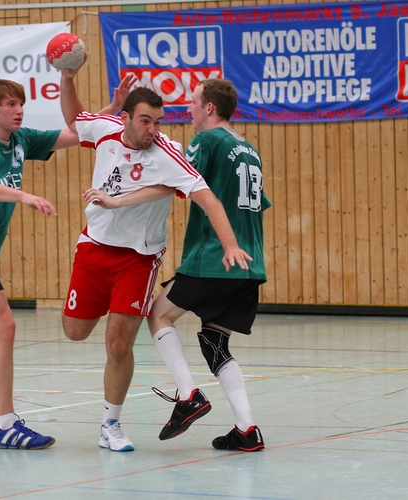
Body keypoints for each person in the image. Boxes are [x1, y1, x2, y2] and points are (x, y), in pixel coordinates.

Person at [0, 74, 134, 449]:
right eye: (11, 105)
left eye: (22, 104)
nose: (19, 111)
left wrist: (112, 109)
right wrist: (23, 196)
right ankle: (6, 426)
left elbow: (75, 134)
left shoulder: (21, 140)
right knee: (4, 328)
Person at [59, 62, 252, 452]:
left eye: (158, 122)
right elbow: (75, 119)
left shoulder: (168, 153)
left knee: (118, 345)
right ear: (125, 118)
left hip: (138, 259)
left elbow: (209, 200)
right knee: (75, 331)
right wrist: (67, 77)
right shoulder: (105, 129)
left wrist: (231, 245)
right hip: (94, 247)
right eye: (145, 121)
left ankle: (110, 424)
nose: (152, 129)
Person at [147, 78, 270, 451]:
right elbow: (258, 203)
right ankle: (246, 429)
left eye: (193, 101)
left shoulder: (207, 140)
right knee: (215, 342)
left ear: (209, 107)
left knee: (158, 315)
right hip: (249, 265)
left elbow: (177, 177)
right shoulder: (249, 149)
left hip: (215, 258)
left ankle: (188, 395)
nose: (188, 108)